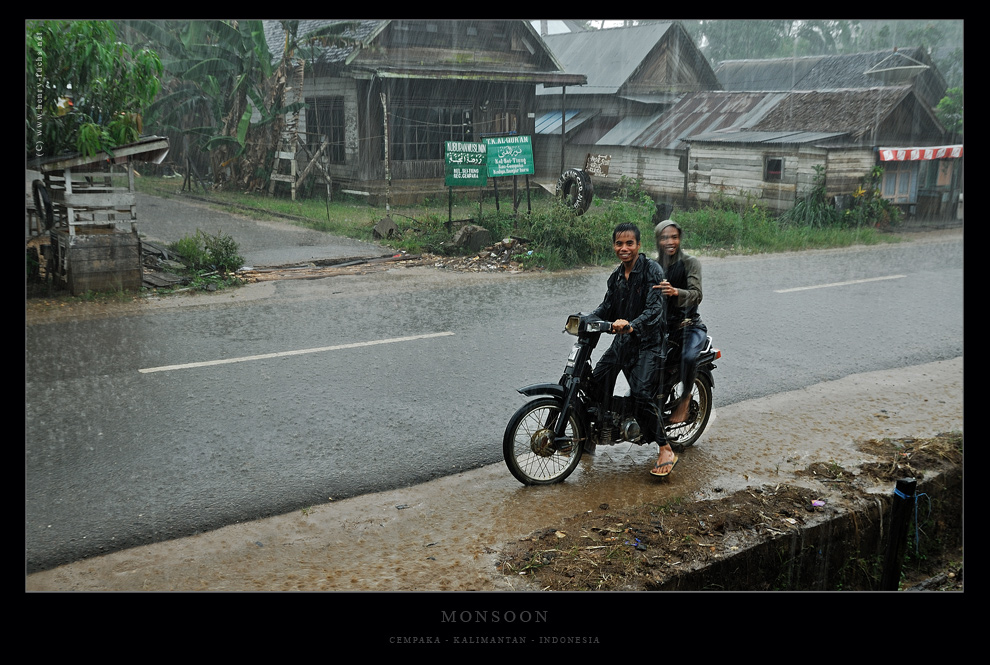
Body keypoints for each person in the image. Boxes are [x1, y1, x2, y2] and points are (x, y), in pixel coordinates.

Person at [589, 222, 678, 477]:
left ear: (639, 246)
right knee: (597, 380)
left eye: (629, 243)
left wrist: (631, 325)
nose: (624, 248)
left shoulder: (652, 270)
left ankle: (665, 448)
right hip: (625, 341)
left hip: (650, 342)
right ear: (614, 246)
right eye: (619, 243)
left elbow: (654, 310)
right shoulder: (616, 276)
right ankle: (595, 433)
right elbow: (606, 307)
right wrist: (586, 319)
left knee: (640, 392)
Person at [654, 219, 707, 426]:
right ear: (658, 240)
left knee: (687, 355)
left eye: (674, 237)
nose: (670, 241)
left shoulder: (690, 263)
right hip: (664, 330)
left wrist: (676, 292)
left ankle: (685, 397)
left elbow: (697, 294)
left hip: (689, 326)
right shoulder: (654, 266)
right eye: (665, 237)